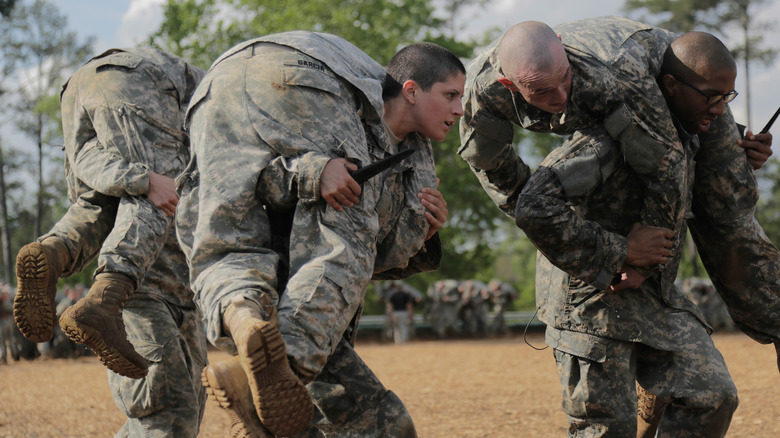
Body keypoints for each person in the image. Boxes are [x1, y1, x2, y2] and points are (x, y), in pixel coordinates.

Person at [176, 34, 460, 437]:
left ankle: (242, 317)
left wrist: (426, 231)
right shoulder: (357, 109)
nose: (460, 109)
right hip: (301, 68)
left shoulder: (409, 153)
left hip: (212, 86)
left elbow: (260, 185)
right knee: (345, 228)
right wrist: (317, 171)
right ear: (410, 91)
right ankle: (280, 367)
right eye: (451, 95)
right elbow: (354, 247)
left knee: (227, 241)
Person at [458, 16, 779, 368]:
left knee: (727, 214)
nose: (561, 96)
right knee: (591, 204)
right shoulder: (482, 91)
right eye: (542, 91)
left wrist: (646, 262)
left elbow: (666, 164)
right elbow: (495, 169)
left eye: (565, 80)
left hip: (684, 84)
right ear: (509, 83)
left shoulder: (614, 74)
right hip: (623, 112)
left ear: (565, 53)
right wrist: (569, 237)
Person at [514, 31, 740, 435]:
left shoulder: (689, 132)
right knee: (607, 428)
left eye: (728, 97)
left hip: (654, 297)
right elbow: (533, 205)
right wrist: (618, 252)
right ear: (670, 86)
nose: (721, 109)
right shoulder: (607, 138)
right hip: (593, 302)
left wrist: (741, 153)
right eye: (711, 96)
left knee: (712, 396)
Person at [18, 48, 208, 436]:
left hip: (81, 83)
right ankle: (106, 295)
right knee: (159, 185)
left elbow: (101, 185)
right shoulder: (226, 100)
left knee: (99, 201)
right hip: (138, 78)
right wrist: (147, 180)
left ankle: (53, 251)